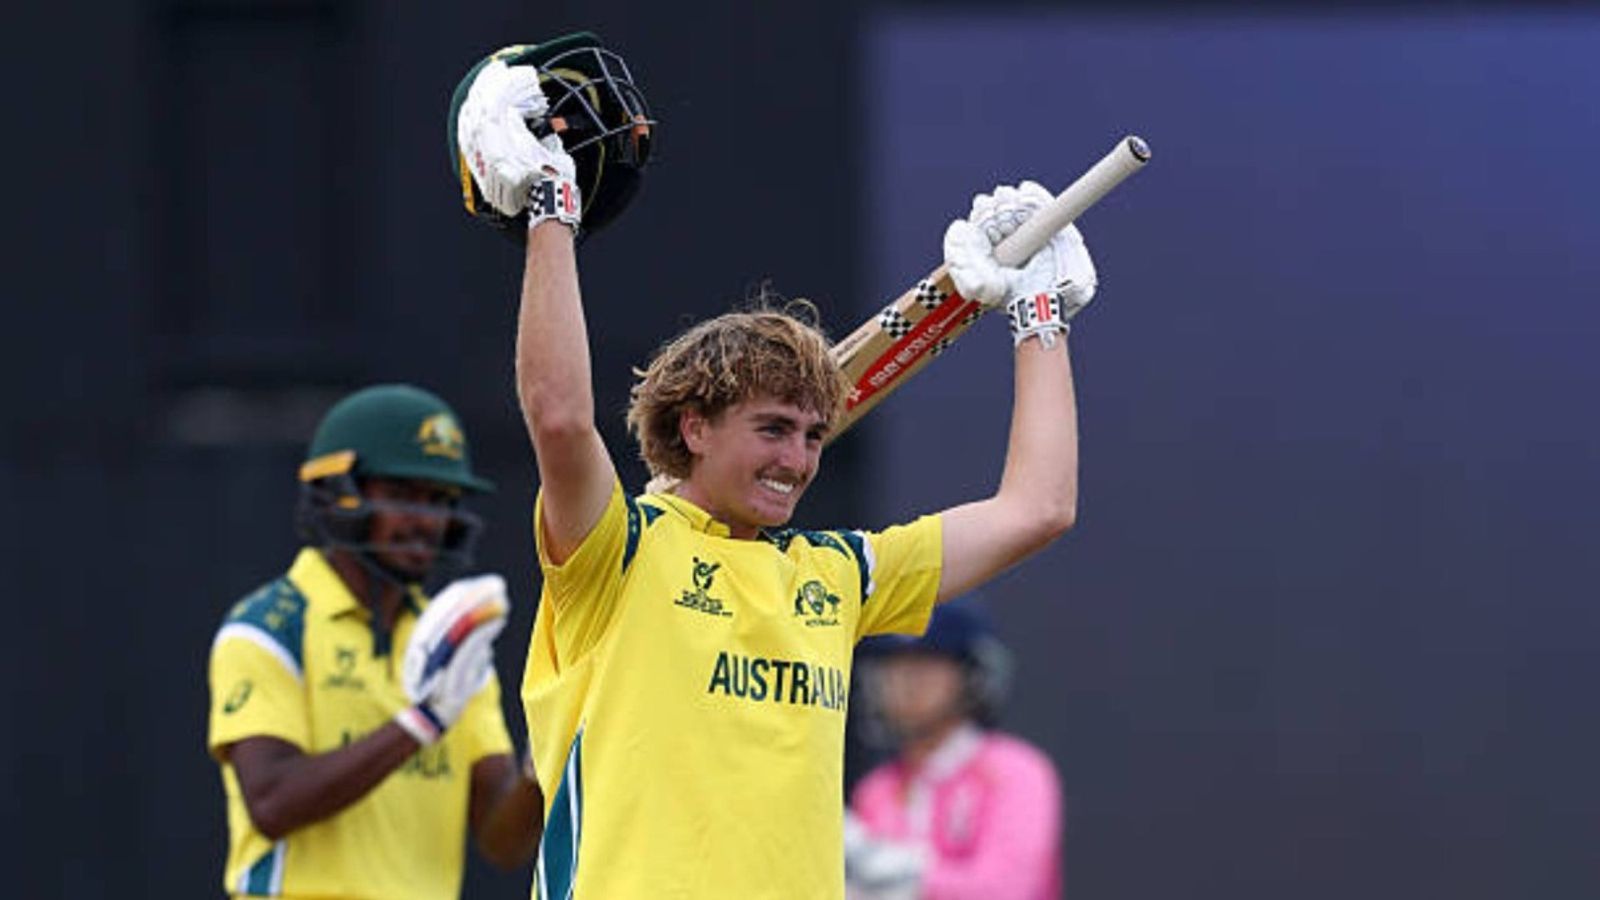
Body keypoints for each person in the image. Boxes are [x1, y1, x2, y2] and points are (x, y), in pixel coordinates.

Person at [456, 54, 1100, 900]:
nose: (797, 460)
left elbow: (1038, 509)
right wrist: (550, 206)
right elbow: (560, 416)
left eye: (809, 434)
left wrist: (1038, 317)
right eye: (771, 429)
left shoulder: (837, 573)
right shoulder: (615, 552)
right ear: (694, 427)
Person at [205, 384, 544, 899]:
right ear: (338, 491)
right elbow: (272, 803)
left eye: (439, 501)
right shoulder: (269, 628)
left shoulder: (454, 643)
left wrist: (541, 767)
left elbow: (502, 841)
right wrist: (423, 721)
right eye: (403, 495)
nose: (425, 521)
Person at [845, 602, 1064, 900]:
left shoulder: (1015, 772)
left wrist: (898, 874)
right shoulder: (876, 789)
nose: (905, 682)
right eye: (891, 667)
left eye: (926, 663)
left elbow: (1008, 890)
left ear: (971, 673)